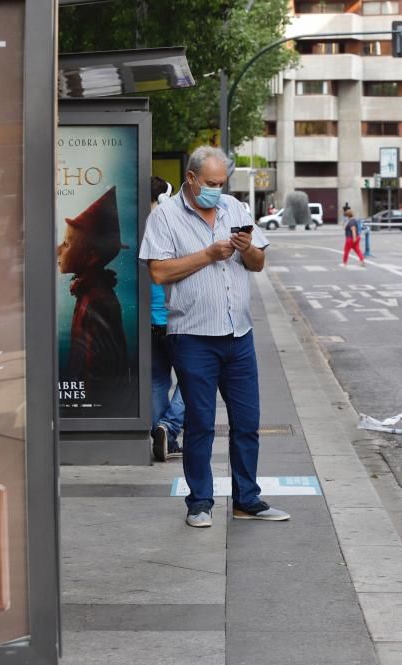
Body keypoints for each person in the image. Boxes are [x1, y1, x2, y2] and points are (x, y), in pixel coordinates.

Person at [138, 145, 289, 528]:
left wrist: (247, 249)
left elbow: (258, 263)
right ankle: (200, 502)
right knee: (201, 423)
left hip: (239, 334)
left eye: (222, 183)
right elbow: (158, 272)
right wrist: (209, 254)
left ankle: (247, 499)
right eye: (210, 183)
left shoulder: (234, 208)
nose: (217, 190)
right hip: (192, 336)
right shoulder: (166, 217)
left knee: (247, 421)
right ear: (191, 178)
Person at [57, 185, 130, 412]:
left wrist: (83, 408)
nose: (58, 249)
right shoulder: (89, 293)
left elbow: (98, 373)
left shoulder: (95, 300)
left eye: (67, 244)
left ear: (91, 256)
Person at [149, 176, 185, 463]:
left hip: (147, 320)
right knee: (194, 378)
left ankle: (160, 437)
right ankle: (169, 428)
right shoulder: (170, 225)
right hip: (176, 318)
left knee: (157, 380)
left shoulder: (139, 226)